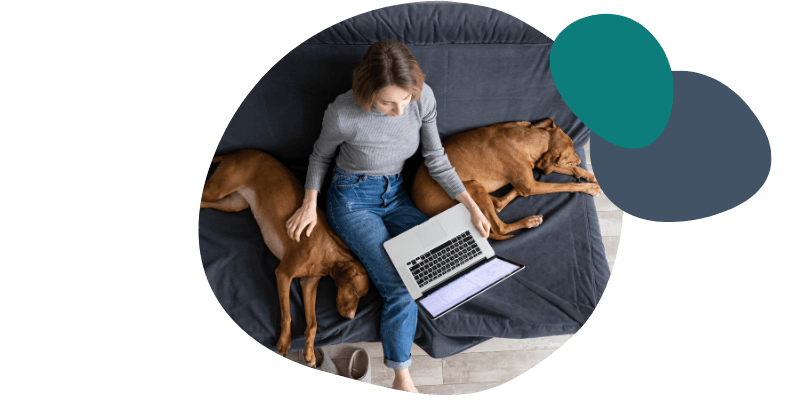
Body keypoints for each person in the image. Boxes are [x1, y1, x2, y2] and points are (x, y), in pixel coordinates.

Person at [286, 40, 490, 393]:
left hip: (396, 195)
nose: (399, 111)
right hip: (352, 200)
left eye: (405, 99)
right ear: (366, 92)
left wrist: (471, 208)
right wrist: (309, 203)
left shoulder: (422, 97)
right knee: (401, 287)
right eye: (386, 103)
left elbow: (436, 159)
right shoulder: (343, 113)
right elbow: (319, 157)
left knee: (450, 251)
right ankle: (401, 376)